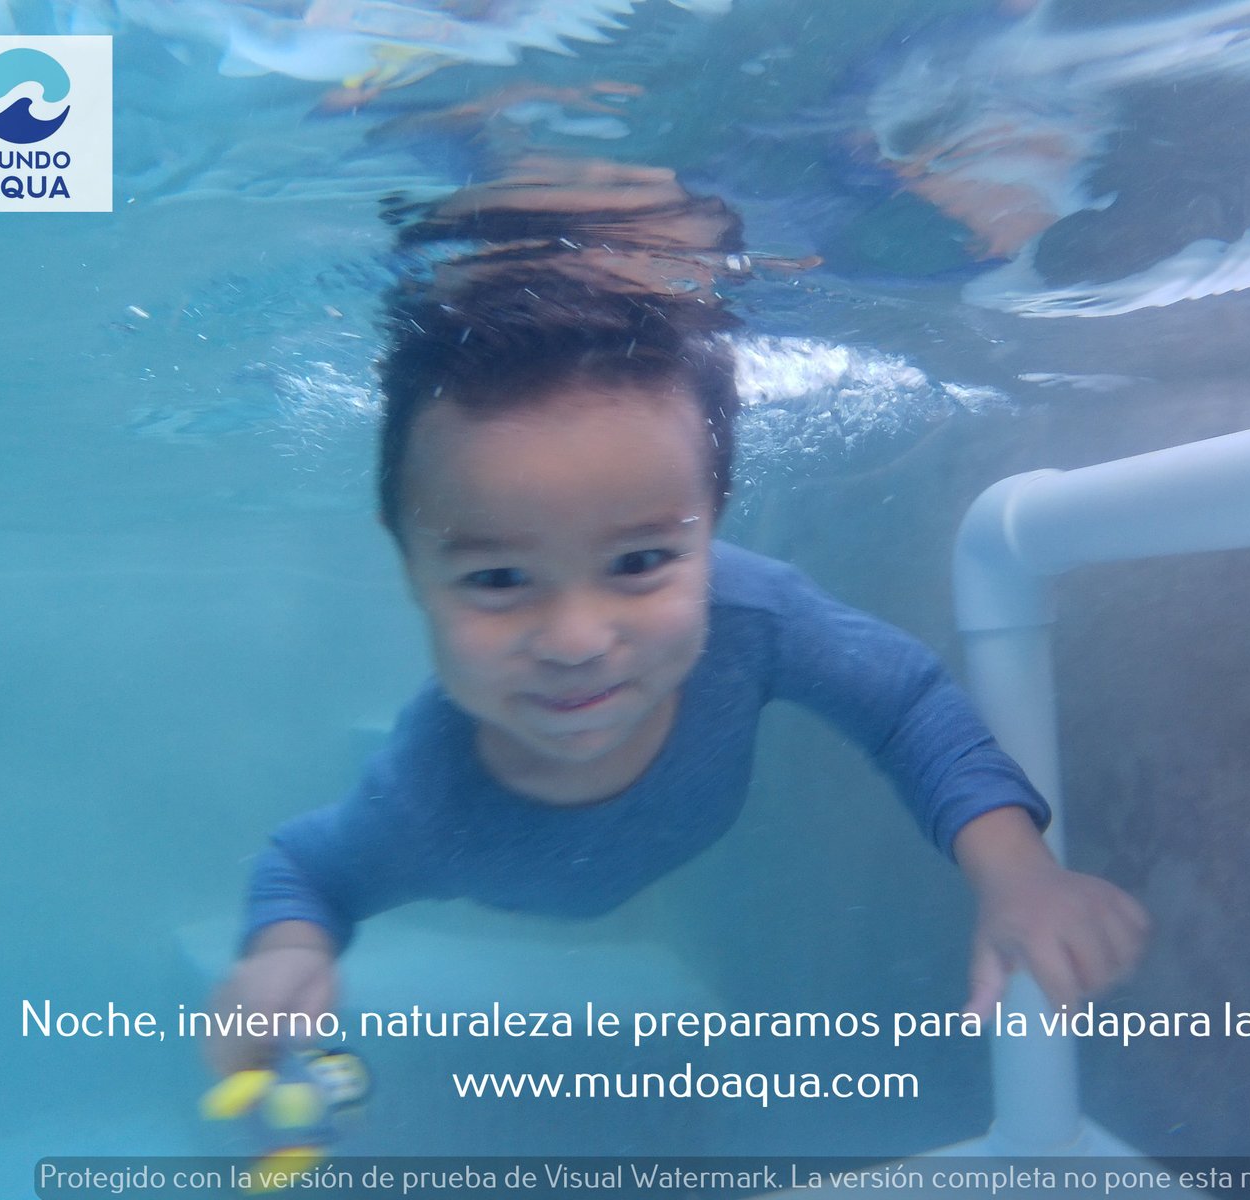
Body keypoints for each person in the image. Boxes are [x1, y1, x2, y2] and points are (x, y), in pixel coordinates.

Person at [208, 161, 1147, 1077]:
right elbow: (306, 870)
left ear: (713, 519)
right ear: (410, 562)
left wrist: (1019, 875)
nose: (577, 640)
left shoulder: (753, 615)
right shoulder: (426, 795)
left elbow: (904, 706)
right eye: (497, 576)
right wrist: (284, 953)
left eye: (641, 561)